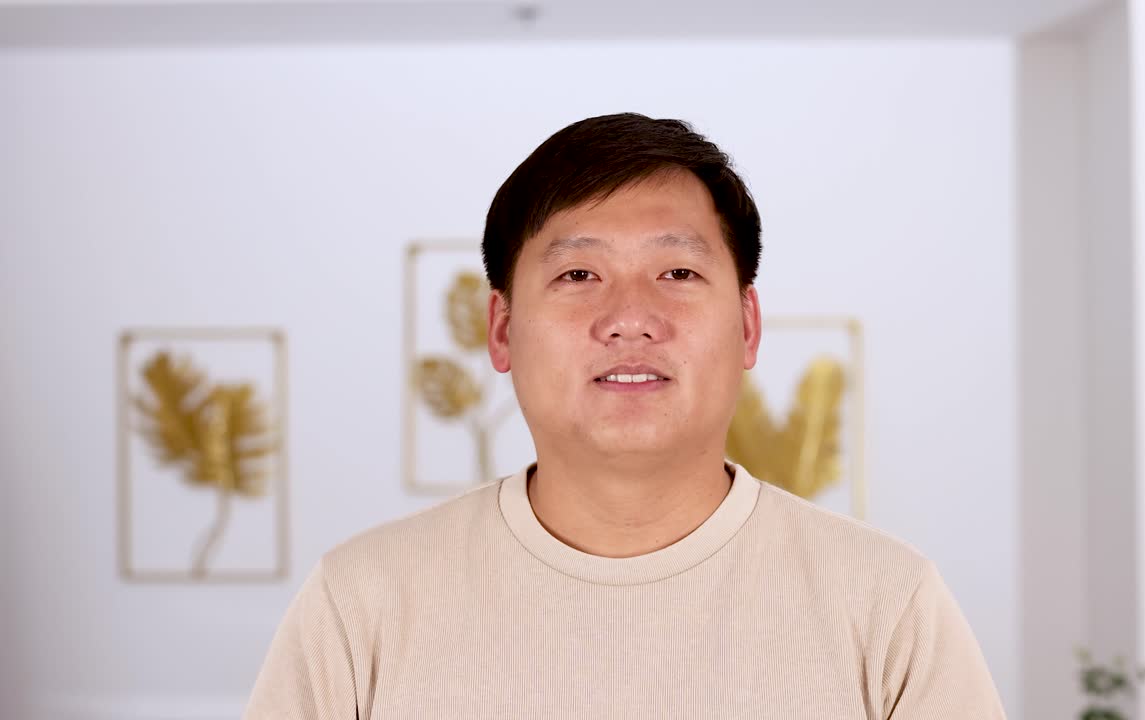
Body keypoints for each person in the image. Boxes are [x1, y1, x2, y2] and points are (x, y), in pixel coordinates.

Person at [244, 113, 1006, 719]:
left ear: (747, 324)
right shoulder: (362, 604)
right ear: (503, 329)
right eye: (579, 274)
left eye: (678, 272)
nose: (631, 317)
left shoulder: (887, 607)